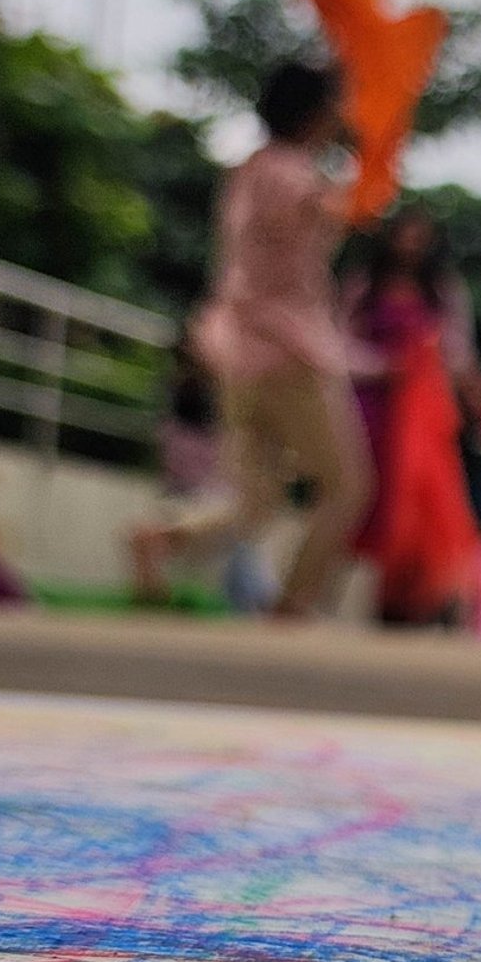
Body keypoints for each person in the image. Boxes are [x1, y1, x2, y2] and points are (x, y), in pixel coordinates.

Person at [131, 60, 371, 620]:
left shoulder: (247, 172)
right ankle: (292, 605)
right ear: (313, 113)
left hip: (239, 351)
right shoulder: (296, 177)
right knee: (345, 488)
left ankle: (163, 536)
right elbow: (335, 216)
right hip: (290, 351)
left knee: (254, 503)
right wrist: (369, 167)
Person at [342, 206, 481, 626]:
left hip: (426, 414)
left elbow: (460, 356)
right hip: (373, 408)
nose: (411, 245)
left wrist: (476, 396)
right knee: (369, 498)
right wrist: (381, 366)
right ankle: (370, 599)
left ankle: (417, 601)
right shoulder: (364, 285)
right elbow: (340, 344)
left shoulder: (443, 291)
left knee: (426, 506)